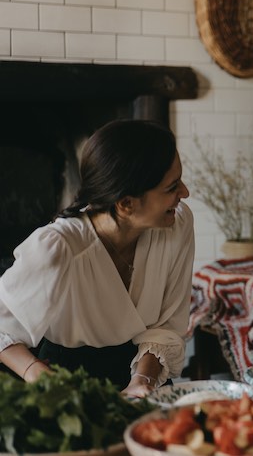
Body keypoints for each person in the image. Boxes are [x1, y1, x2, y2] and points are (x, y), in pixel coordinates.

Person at [0, 119, 194, 397]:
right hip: (65, 378)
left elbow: (166, 324)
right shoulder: (57, 246)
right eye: (172, 187)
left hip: (142, 372)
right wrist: (39, 375)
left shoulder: (177, 224)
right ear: (126, 203)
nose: (185, 193)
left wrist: (142, 380)